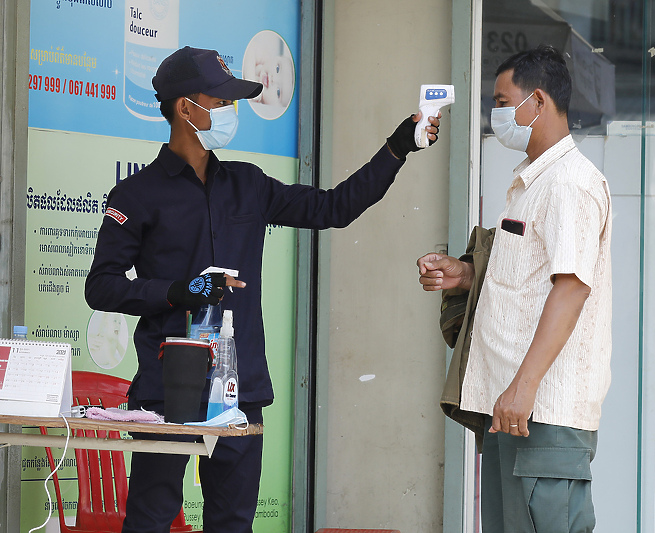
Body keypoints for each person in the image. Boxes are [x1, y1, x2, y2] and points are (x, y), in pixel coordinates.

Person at [84, 45, 441, 532]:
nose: (231, 111)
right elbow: (101, 288)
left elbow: (333, 209)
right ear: (186, 108)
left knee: (232, 523)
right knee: (149, 520)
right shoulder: (136, 194)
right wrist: (176, 291)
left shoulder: (247, 184)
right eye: (222, 100)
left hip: (238, 389)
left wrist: (397, 148)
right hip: (167, 393)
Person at [417, 45, 612, 533]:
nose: (496, 113)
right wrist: (463, 274)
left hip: (540, 410)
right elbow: (526, 282)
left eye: (503, 102)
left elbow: (570, 291)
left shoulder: (569, 184)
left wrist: (523, 389)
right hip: (510, 407)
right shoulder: (533, 182)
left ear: (538, 101)